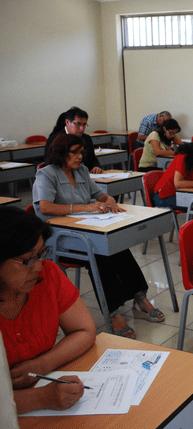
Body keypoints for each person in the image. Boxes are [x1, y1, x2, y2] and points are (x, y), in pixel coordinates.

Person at [33, 134, 165, 339]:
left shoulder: (82, 171)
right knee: (101, 255)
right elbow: (45, 207)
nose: (80, 157)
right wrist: (85, 207)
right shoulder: (47, 174)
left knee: (117, 246)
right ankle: (112, 313)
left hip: (89, 230)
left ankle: (140, 297)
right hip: (62, 239)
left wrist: (109, 199)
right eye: (74, 152)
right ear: (61, 153)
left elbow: (99, 195)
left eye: (81, 152)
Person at [0, 206, 96, 414]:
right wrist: (40, 397)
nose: (38, 266)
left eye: (41, 254)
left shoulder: (47, 276)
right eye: (27, 260)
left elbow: (85, 330)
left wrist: (42, 365)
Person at [45, 107, 102, 174]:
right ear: (67, 122)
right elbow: (51, 164)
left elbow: (92, 158)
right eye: (78, 124)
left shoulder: (87, 138)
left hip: (88, 176)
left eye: (84, 125)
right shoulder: (54, 140)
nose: (81, 129)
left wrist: (96, 166)